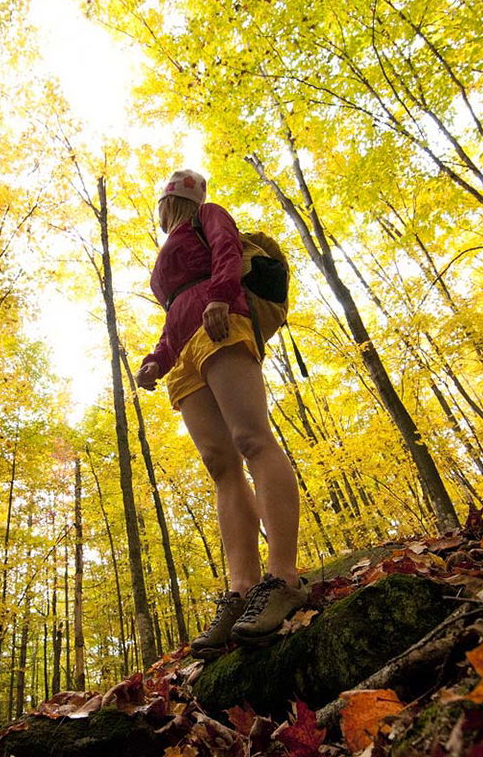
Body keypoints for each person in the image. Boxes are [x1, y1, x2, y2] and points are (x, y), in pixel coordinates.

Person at [135, 170, 306, 659]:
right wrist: (156, 361)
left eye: (166, 198)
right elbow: (172, 317)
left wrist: (219, 296)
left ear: (173, 200)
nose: (165, 207)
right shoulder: (168, 249)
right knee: (220, 466)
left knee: (252, 440)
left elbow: (227, 253)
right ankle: (241, 591)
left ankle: (283, 576)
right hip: (184, 349)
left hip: (221, 321)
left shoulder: (207, 217)